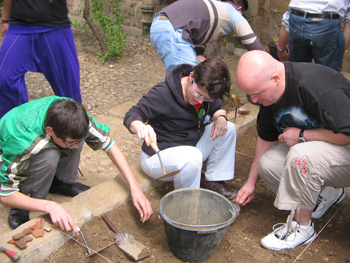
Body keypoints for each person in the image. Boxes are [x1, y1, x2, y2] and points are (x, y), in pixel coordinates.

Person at [235, 50, 349, 250]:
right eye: (249, 95)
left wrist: (303, 135)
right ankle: (329, 193)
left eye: (257, 94)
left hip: (345, 146)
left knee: (300, 156)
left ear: (276, 78)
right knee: (267, 165)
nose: (254, 101)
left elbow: (347, 132)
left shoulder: (315, 87)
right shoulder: (269, 96)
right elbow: (265, 138)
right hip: (325, 149)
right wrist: (251, 182)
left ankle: (301, 228)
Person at [0, 96, 153, 234]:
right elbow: (5, 193)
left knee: (76, 139)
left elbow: (110, 145)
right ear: (50, 131)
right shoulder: (22, 141)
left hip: (46, 138)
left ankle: (61, 182)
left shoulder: (74, 116)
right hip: (9, 153)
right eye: (71, 142)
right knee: (49, 156)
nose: (76, 148)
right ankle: (27, 200)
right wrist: (49, 206)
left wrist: (135, 188)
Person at [124, 58, 237, 199]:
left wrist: (220, 118)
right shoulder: (163, 93)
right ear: (191, 76)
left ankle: (213, 180)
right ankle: (185, 203)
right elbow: (133, 114)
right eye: (198, 94)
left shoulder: (205, 91)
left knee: (229, 129)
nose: (201, 101)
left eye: (207, 99)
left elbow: (218, 108)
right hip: (159, 158)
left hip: (191, 148)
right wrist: (141, 126)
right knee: (192, 157)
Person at [0, 0, 82, 119]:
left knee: (69, 92)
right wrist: (5, 19)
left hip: (54, 26)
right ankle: (15, 128)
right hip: (19, 26)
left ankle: (74, 132)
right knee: (4, 80)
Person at [150, 0, 264, 73]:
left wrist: (201, 62)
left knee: (181, 79)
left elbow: (197, 36)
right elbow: (256, 48)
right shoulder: (233, 12)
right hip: (172, 29)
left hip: (160, 25)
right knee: (187, 81)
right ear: (239, 8)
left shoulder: (212, 6)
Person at [277, 0, 350, 72]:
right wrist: (342, 47)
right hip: (327, 22)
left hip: (297, 18)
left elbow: (292, 9)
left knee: (298, 76)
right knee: (328, 78)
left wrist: (281, 48)